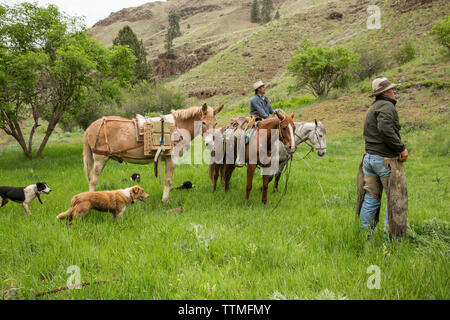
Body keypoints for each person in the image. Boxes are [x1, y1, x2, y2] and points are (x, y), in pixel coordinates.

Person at [356, 77, 409, 240]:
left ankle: (364, 237)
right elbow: (385, 128)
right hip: (385, 161)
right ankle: (392, 241)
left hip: (369, 160)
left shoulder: (373, 108)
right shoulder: (387, 106)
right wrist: (401, 148)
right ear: (385, 92)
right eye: (392, 89)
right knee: (396, 199)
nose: (394, 92)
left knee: (371, 198)